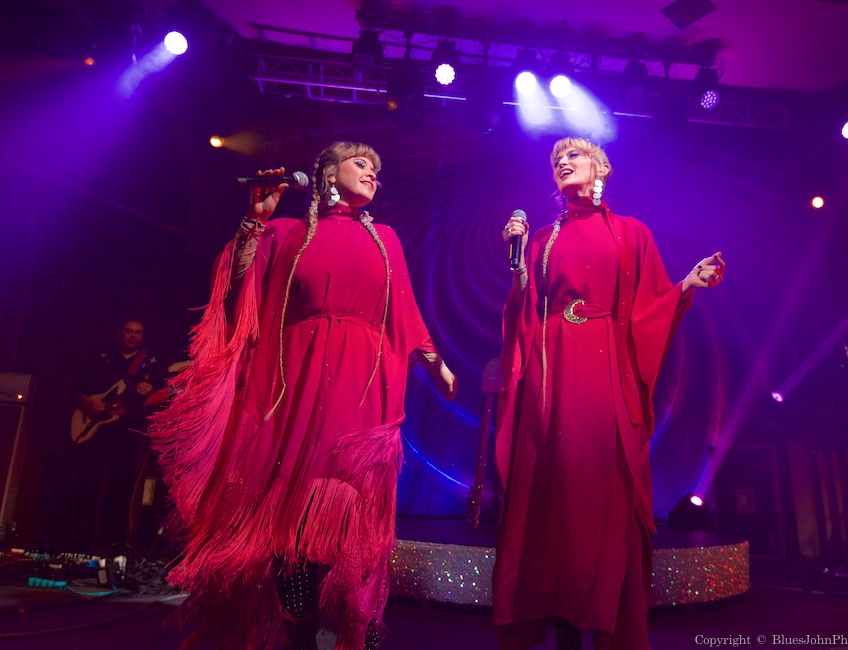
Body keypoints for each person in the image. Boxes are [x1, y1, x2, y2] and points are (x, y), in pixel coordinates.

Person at [149, 142, 457, 650]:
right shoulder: (287, 232)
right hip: (294, 385)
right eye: (362, 164)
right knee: (293, 520)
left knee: (355, 514)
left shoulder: (385, 238)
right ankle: (299, 634)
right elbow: (239, 288)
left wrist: (434, 359)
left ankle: (360, 631)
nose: (373, 174)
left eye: (377, 169)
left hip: (362, 387)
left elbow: (403, 307)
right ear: (328, 173)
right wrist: (254, 221)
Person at [493, 137, 725, 650]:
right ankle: (555, 611)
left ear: (600, 168)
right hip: (552, 368)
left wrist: (685, 286)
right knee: (551, 481)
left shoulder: (630, 232)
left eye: (573, 155)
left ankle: (597, 611)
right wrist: (516, 262)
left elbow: (649, 307)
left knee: (598, 484)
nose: (562, 162)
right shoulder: (542, 239)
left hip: (603, 366)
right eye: (556, 160)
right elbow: (524, 309)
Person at [68, 318, 170, 553]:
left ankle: (113, 549)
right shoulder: (101, 358)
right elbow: (77, 386)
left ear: (143, 336)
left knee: (120, 492)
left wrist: (149, 392)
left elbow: (158, 401)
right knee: (87, 489)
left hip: (126, 439)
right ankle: (79, 546)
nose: (133, 336)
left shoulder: (150, 364)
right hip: (95, 438)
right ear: (119, 333)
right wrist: (86, 402)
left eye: (138, 332)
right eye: (129, 331)